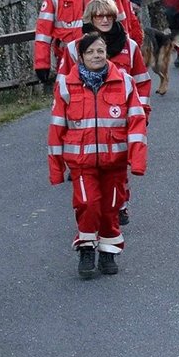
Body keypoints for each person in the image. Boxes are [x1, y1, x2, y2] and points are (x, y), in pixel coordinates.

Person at [47, 29, 147, 279]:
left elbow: (136, 123)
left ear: (107, 53)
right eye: (90, 52)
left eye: (100, 51)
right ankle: (86, 248)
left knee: (111, 207)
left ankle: (108, 251)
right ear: (80, 57)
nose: (96, 56)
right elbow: (57, 128)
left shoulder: (124, 82)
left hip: (115, 162)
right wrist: (57, 170)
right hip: (81, 163)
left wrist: (137, 161)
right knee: (87, 204)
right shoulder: (66, 85)